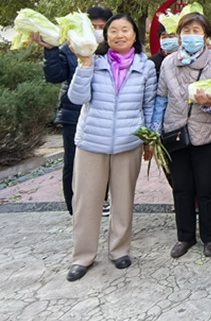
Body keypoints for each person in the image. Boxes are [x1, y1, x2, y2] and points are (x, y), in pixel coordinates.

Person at [64, 14, 157, 281]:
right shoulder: (94, 61)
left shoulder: (145, 66)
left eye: (125, 30)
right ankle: (83, 256)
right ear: (106, 37)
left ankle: (119, 250)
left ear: (134, 35)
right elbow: (77, 98)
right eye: (113, 30)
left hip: (128, 143)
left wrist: (148, 138)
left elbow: (149, 105)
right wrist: (84, 65)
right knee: (85, 201)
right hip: (92, 142)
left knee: (123, 199)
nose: (119, 35)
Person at [151, 12, 211, 259]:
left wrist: (210, 104)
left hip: (207, 132)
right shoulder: (167, 63)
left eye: (197, 31)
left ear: (206, 35)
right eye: (186, 31)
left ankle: (210, 237)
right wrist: (155, 129)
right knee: (181, 187)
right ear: (179, 34)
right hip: (175, 132)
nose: (191, 36)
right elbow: (161, 97)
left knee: (207, 187)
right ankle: (185, 236)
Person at [33, 6, 112, 216]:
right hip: (73, 114)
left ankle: (101, 199)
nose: (96, 30)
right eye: (93, 25)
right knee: (73, 162)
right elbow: (55, 76)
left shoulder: (111, 50)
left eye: (101, 27)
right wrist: (50, 51)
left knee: (102, 161)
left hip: (103, 115)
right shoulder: (70, 47)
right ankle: (74, 205)